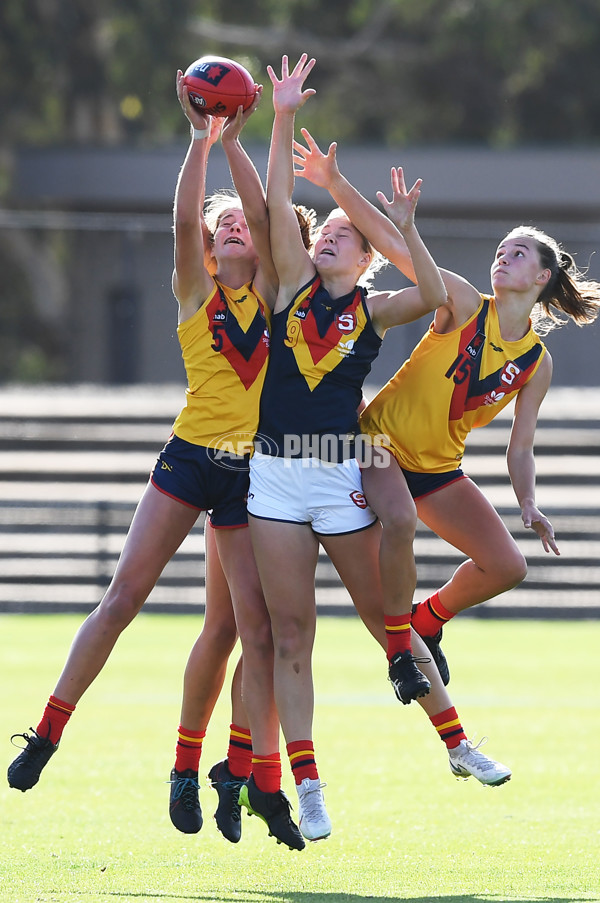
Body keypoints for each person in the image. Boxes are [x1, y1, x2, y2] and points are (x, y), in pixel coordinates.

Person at [8, 72, 305, 852]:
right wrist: (201, 139)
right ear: (210, 247)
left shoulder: (274, 291)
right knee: (122, 598)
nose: (237, 227)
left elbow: (274, 218)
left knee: (254, 630)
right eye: (225, 226)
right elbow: (184, 215)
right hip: (187, 460)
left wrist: (237, 143)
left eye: (244, 224)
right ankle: (44, 731)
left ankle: (211, 769)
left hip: (248, 475)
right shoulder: (194, 290)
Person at [239, 54, 511, 845]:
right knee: (294, 634)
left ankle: (458, 743)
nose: (325, 238)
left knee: (388, 625)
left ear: (363, 260)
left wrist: (410, 231)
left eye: (341, 237)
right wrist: (282, 114)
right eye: (323, 233)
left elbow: (434, 295)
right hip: (274, 477)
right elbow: (280, 201)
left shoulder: (377, 306)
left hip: (340, 472)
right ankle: (310, 782)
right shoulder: (287, 283)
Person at [357, 221, 600, 685]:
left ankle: (424, 623)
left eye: (519, 253)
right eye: (501, 250)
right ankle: (401, 648)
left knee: (508, 567)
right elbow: (393, 245)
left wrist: (527, 501)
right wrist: (334, 182)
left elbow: (522, 444)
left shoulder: (536, 362)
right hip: (377, 447)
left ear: (542, 277)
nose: (503, 257)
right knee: (399, 520)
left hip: (437, 469)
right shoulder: (465, 303)